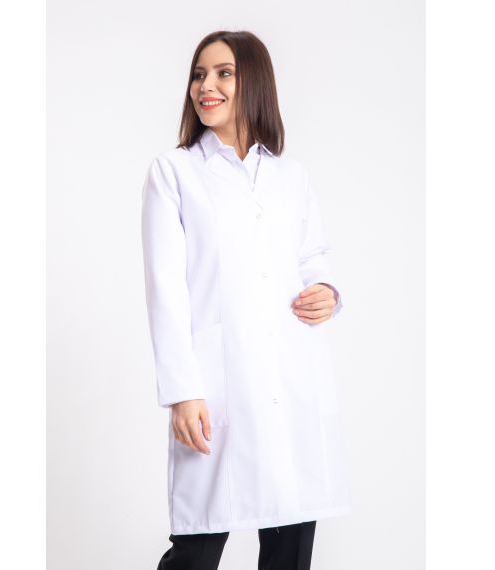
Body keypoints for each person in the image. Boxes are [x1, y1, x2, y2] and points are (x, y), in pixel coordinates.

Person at [141, 30, 352, 570]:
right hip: (218, 385)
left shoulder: (290, 176)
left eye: (223, 73)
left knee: (290, 542)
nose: (204, 86)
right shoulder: (175, 173)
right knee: (197, 547)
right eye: (198, 74)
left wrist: (327, 292)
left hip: (289, 379)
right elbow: (166, 290)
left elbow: (312, 258)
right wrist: (182, 392)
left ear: (254, 82)